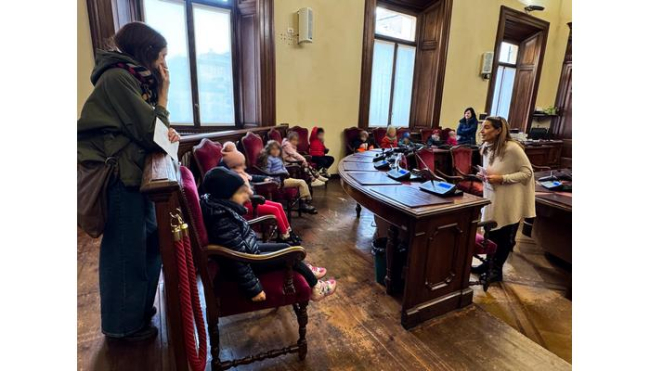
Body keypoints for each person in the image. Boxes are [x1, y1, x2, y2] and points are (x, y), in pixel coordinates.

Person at [77, 22, 180, 341]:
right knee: (125, 250)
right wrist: (163, 97)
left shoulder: (132, 79)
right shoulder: (119, 78)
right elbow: (153, 135)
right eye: (161, 57)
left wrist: (162, 129)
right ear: (146, 54)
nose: (164, 66)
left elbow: (155, 133)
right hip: (120, 175)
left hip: (134, 173)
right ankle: (122, 326)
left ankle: (136, 308)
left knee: (150, 242)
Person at [200, 167, 337, 302]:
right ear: (226, 195)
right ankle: (317, 288)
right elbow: (236, 260)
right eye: (242, 192)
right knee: (291, 255)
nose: (247, 194)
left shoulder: (220, 207)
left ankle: (307, 270)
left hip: (249, 250)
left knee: (286, 246)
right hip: (248, 261)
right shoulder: (222, 220)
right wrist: (254, 289)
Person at [472, 116, 536, 282]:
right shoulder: (486, 146)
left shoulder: (513, 148)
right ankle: (488, 263)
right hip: (492, 194)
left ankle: (497, 271)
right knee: (490, 231)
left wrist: (503, 178)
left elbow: (527, 172)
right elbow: (492, 169)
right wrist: (484, 174)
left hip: (509, 198)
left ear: (498, 130)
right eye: (482, 127)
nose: (481, 131)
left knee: (503, 234)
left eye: (486, 127)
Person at [220, 141, 306, 241]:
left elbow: (252, 177)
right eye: (241, 165)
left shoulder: (240, 172)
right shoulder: (233, 177)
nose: (244, 167)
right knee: (275, 210)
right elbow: (245, 195)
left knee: (279, 205)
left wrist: (264, 178)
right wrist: (251, 192)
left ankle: (289, 232)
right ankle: (285, 235)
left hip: (252, 201)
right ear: (233, 165)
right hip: (247, 205)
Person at [259, 140, 319, 214]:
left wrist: (285, 171)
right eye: (273, 149)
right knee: (301, 182)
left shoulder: (278, 158)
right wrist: (282, 173)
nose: (276, 151)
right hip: (277, 181)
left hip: (284, 178)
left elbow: (282, 167)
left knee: (302, 182)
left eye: (277, 149)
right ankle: (304, 204)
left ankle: (304, 202)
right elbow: (267, 172)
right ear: (269, 150)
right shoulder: (268, 159)